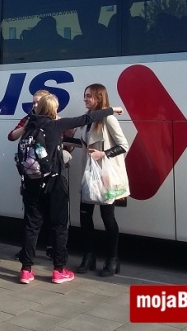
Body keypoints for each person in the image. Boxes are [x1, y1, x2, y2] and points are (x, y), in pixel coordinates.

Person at [17, 94, 123, 285]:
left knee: (31, 226)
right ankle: (58, 270)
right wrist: (111, 110)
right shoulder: (56, 124)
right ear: (53, 109)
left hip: (31, 183)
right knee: (59, 226)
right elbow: (87, 118)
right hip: (54, 182)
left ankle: (26, 270)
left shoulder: (30, 125)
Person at [77, 83, 129, 277]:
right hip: (89, 175)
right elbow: (82, 144)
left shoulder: (108, 119)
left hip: (105, 177)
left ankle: (113, 259)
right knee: (84, 216)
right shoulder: (86, 119)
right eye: (85, 95)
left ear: (99, 98)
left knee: (108, 218)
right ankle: (89, 256)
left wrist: (104, 154)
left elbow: (124, 145)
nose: (85, 99)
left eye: (89, 96)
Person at [7, 89, 51, 260]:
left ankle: (52, 247)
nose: (35, 105)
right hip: (30, 174)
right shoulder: (28, 119)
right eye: (33, 102)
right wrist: (26, 126)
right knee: (30, 215)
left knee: (50, 213)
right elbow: (11, 136)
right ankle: (26, 250)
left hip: (48, 173)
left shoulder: (53, 119)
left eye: (38, 102)